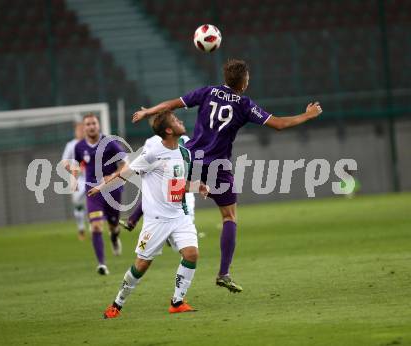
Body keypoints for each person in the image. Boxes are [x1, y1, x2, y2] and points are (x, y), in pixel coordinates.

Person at [132, 59, 323, 292]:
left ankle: (137, 222)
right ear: (243, 82)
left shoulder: (207, 92)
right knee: (229, 217)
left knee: (165, 188)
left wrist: (147, 112)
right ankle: (223, 273)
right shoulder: (244, 104)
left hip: (191, 158)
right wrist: (308, 115)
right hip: (219, 168)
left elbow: (172, 104)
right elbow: (279, 124)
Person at [88, 111, 209, 318]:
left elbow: (177, 185)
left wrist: (198, 186)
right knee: (142, 265)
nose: (180, 121)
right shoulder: (152, 154)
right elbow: (125, 174)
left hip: (179, 216)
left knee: (191, 254)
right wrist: (101, 187)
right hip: (156, 221)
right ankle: (117, 303)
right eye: (175, 120)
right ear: (169, 130)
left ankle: (177, 302)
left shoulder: (184, 153)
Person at [72, 113, 128, 275]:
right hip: (92, 191)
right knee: (96, 226)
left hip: (112, 190)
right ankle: (102, 264)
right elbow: (76, 163)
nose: (91, 126)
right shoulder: (79, 146)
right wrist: (74, 180)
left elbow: (125, 163)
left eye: (93, 123)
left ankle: (114, 236)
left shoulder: (109, 142)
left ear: (99, 125)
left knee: (113, 225)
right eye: (88, 124)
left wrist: (113, 175)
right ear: (84, 127)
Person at [119, 134, 196, 231]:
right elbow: (142, 166)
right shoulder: (152, 141)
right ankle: (135, 221)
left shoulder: (184, 139)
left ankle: (133, 220)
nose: (179, 122)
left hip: (180, 186)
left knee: (185, 227)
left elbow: (190, 161)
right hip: (163, 187)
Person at [62, 122, 87, 240]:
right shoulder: (70, 145)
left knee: (96, 202)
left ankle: (95, 227)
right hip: (77, 178)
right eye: (79, 129)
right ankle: (81, 228)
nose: (81, 131)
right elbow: (64, 162)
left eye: (83, 129)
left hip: (92, 178)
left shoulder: (91, 143)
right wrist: (74, 170)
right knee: (78, 204)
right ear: (75, 131)